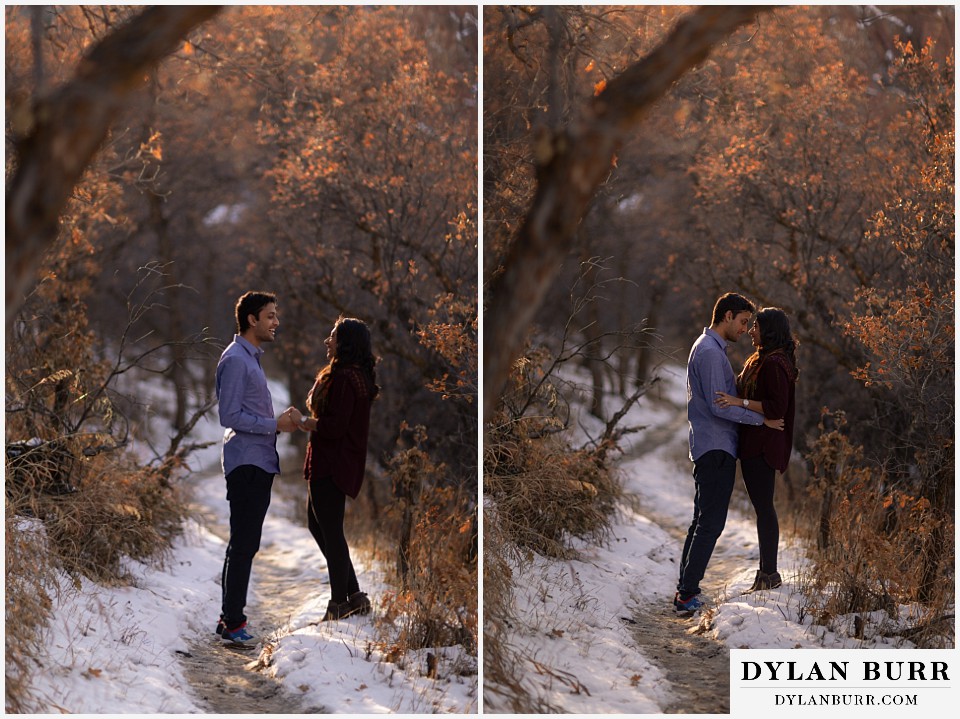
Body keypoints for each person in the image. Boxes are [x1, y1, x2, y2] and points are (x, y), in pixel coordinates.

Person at [677, 293, 783, 615]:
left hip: (712, 446)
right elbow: (719, 406)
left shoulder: (710, 349)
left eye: (749, 324)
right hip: (716, 447)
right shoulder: (709, 352)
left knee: (701, 522)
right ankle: (687, 596)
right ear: (726, 316)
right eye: (742, 321)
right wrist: (760, 418)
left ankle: (685, 590)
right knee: (710, 524)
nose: (745, 329)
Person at [215, 291, 301, 645]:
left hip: (258, 462)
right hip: (246, 462)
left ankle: (228, 620)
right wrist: (275, 424)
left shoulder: (249, 358)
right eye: (270, 316)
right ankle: (234, 623)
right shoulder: (236, 359)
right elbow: (228, 416)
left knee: (243, 544)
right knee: (244, 544)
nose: (275, 322)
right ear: (252, 319)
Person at [296, 316, 379, 621]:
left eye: (332, 336)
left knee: (330, 531)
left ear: (345, 343)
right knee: (319, 526)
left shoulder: (345, 379)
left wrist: (304, 422)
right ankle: (354, 596)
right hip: (332, 461)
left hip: (332, 463)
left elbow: (334, 427)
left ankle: (338, 604)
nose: (327, 341)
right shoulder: (349, 375)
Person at [715, 307, 798, 592]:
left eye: (756, 327)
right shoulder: (760, 359)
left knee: (764, 509)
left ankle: (769, 575)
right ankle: (766, 573)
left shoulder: (775, 363)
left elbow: (777, 408)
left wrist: (740, 404)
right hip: (753, 442)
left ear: (769, 330)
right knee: (762, 508)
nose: (751, 331)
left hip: (764, 444)